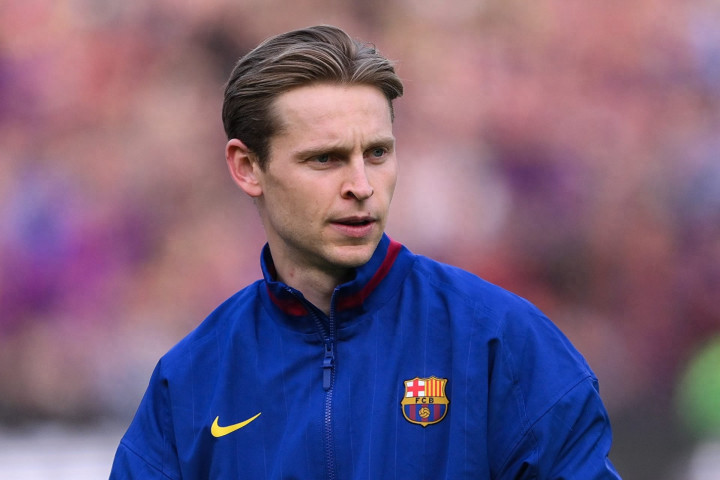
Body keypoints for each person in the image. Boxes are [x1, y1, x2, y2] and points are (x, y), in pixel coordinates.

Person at [110, 25, 621, 479]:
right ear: (247, 167)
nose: (362, 185)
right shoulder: (191, 380)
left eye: (377, 153)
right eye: (325, 159)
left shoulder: (500, 341)